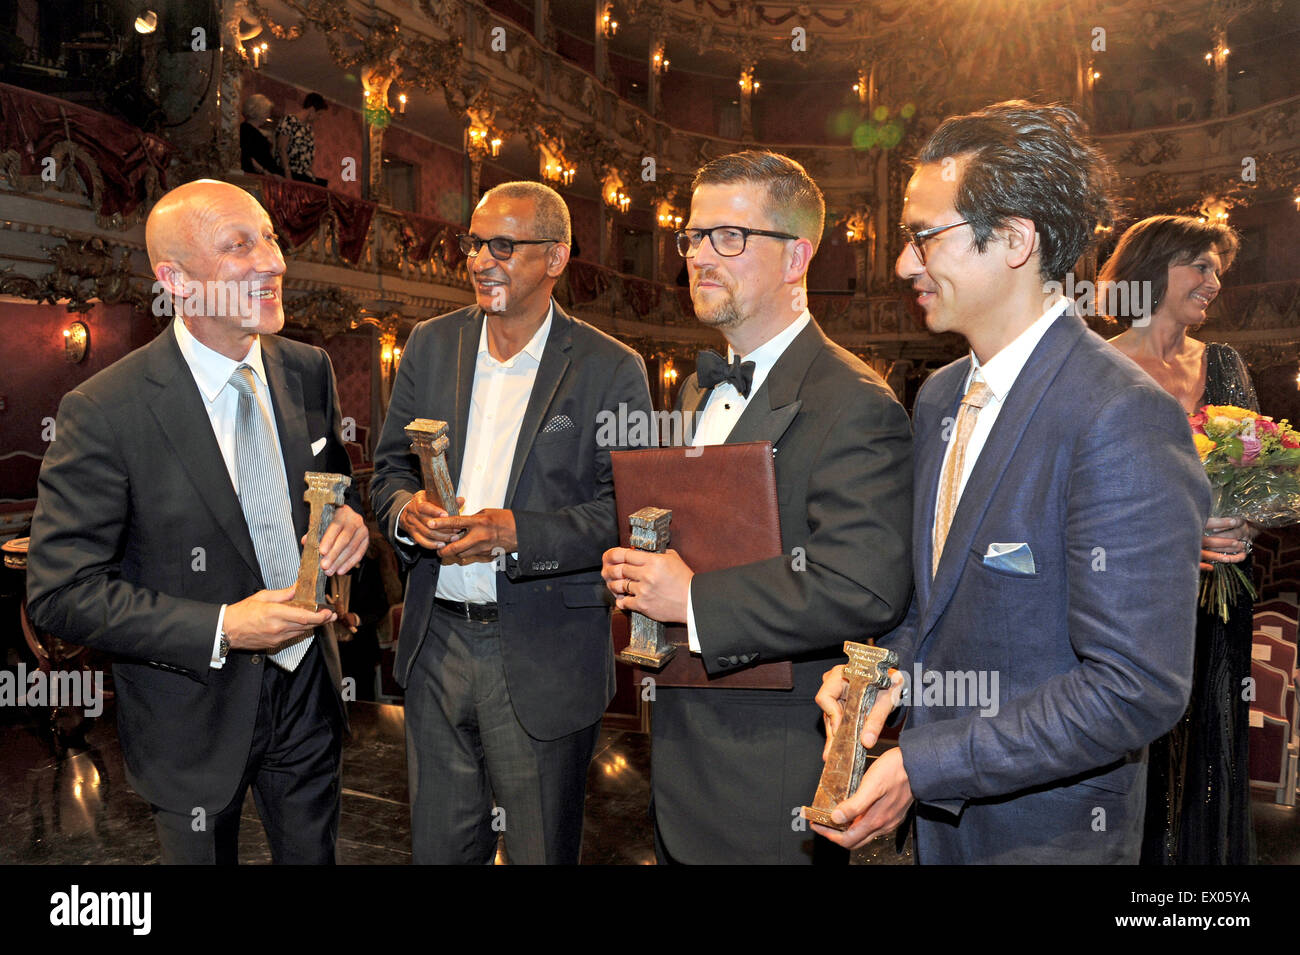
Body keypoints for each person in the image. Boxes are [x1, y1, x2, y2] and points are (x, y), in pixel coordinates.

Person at [813, 102, 1211, 863]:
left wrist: (926, 765)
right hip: (943, 830)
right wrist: (882, 671)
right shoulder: (936, 397)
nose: (902, 264)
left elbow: (1134, 687)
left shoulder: (1122, 415)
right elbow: (942, 606)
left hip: (1048, 835)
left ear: (1017, 241)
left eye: (925, 237)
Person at [26, 180, 369, 863]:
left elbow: (332, 492)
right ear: (175, 280)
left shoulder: (308, 370)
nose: (273, 260)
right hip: (191, 717)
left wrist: (348, 522)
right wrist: (224, 627)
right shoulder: (105, 409)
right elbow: (60, 592)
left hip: (309, 694)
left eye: (270, 237)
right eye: (239, 244)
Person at [600, 150, 914, 864]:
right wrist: (637, 575)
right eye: (692, 236)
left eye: (729, 237)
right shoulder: (692, 391)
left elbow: (864, 585)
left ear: (796, 256)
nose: (701, 255)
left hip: (774, 770)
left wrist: (692, 596)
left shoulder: (857, 404)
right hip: (681, 750)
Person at [370, 181, 653, 864]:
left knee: (537, 850)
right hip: (435, 644)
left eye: (503, 245)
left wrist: (512, 533)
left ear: (555, 257)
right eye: (473, 243)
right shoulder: (431, 345)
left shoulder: (611, 369)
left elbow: (627, 513)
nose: (479, 259)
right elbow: (386, 472)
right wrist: (406, 511)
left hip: (542, 653)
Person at [1099, 214, 1256, 864]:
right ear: (1153, 268)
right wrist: (1175, 541)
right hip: (1127, 602)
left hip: (1220, 602)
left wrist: (1245, 516)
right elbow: (1075, 501)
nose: (1213, 281)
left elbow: (1253, 471)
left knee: (1213, 746)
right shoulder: (1097, 366)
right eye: (1200, 264)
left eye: (1219, 269)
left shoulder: (1225, 364)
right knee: (1140, 756)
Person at [277, 92, 328, 187]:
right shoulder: (290, 120)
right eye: (319, 114)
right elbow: (281, 148)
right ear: (312, 110)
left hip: (303, 175)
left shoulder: (308, 128)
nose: (319, 118)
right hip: (290, 173)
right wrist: (288, 175)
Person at [240, 93, 282, 177]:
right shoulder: (247, 129)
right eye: (267, 111)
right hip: (257, 177)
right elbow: (247, 156)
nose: (268, 115)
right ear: (259, 111)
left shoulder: (253, 131)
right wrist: (266, 173)